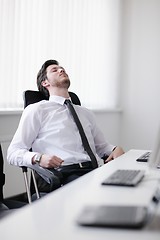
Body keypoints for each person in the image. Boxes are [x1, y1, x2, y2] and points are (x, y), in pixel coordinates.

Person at [7, 59, 124, 193]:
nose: (61, 70)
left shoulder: (86, 113)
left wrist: (115, 149)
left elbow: (102, 147)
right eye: (54, 70)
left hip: (94, 171)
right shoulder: (37, 110)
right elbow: (13, 153)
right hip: (64, 175)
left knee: (131, 185)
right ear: (45, 83)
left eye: (62, 68)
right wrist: (38, 158)